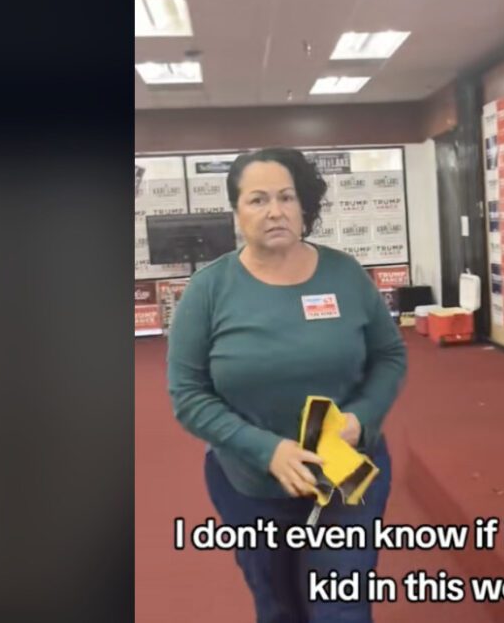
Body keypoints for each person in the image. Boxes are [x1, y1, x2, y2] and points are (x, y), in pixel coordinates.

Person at [167, 147, 407, 622]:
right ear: (237, 212)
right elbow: (188, 396)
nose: (275, 211)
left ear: (304, 206)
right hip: (251, 486)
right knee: (278, 607)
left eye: (286, 197)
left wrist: (362, 419)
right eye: (257, 200)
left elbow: (389, 356)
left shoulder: (345, 275)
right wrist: (267, 450)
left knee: (342, 610)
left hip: (345, 477)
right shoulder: (208, 291)